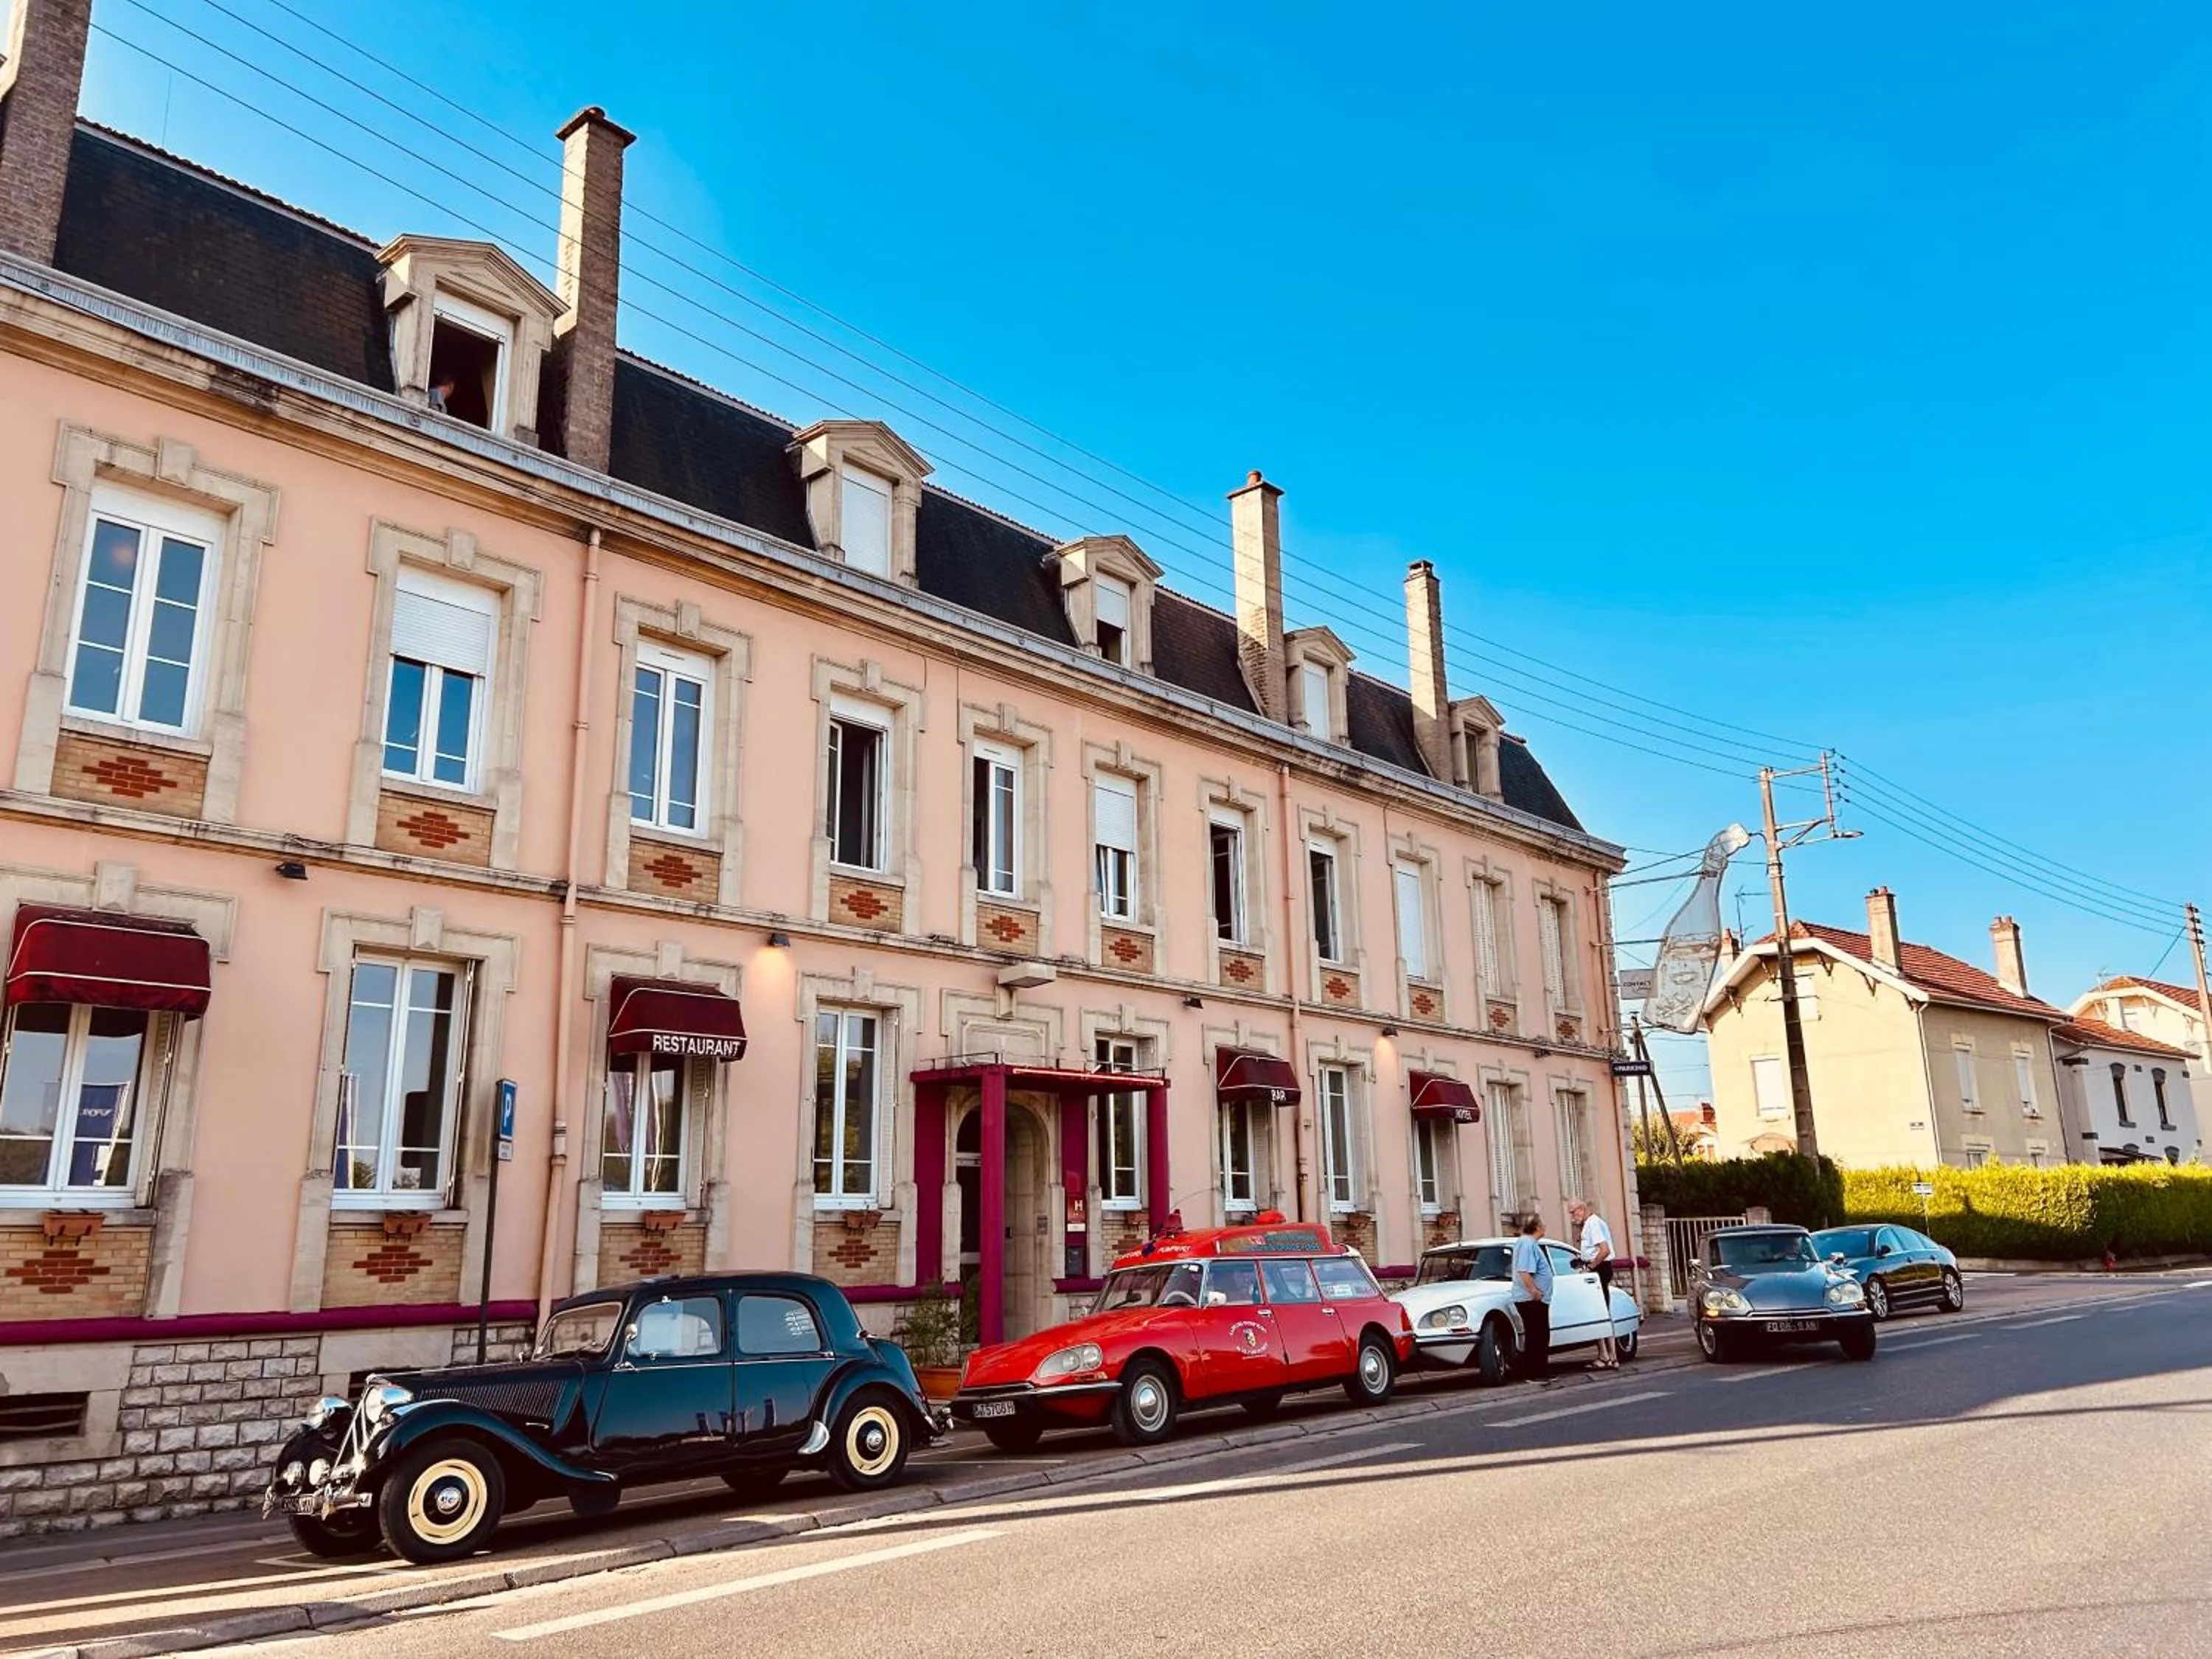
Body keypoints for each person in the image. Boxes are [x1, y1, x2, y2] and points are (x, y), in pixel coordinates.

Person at [1568, 1197, 1620, 1371]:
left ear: (1582, 1209)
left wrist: (1590, 1268)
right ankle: (1609, 1356)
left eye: (1573, 1213)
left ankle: (1607, 1356)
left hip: (1599, 1269)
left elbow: (1604, 1250)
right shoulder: (1591, 1224)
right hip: (1601, 1269)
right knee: (1602, 1312)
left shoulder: (1593, 1224)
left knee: (1599, 1314)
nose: (1572, 1217)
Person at [1510, 1213, 1553, 1381]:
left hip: (1535, 1299)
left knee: (1540, 1334)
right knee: (1537, 1335)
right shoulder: (1527, 1243)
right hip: (1531, 1299)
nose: (1545, 1227)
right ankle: (1535, 1373)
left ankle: (1541, 1370)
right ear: (1537, 1228)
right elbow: (1523, 1270)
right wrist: (1533, 1290)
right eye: (1542, 1224)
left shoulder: (1529, 1243)